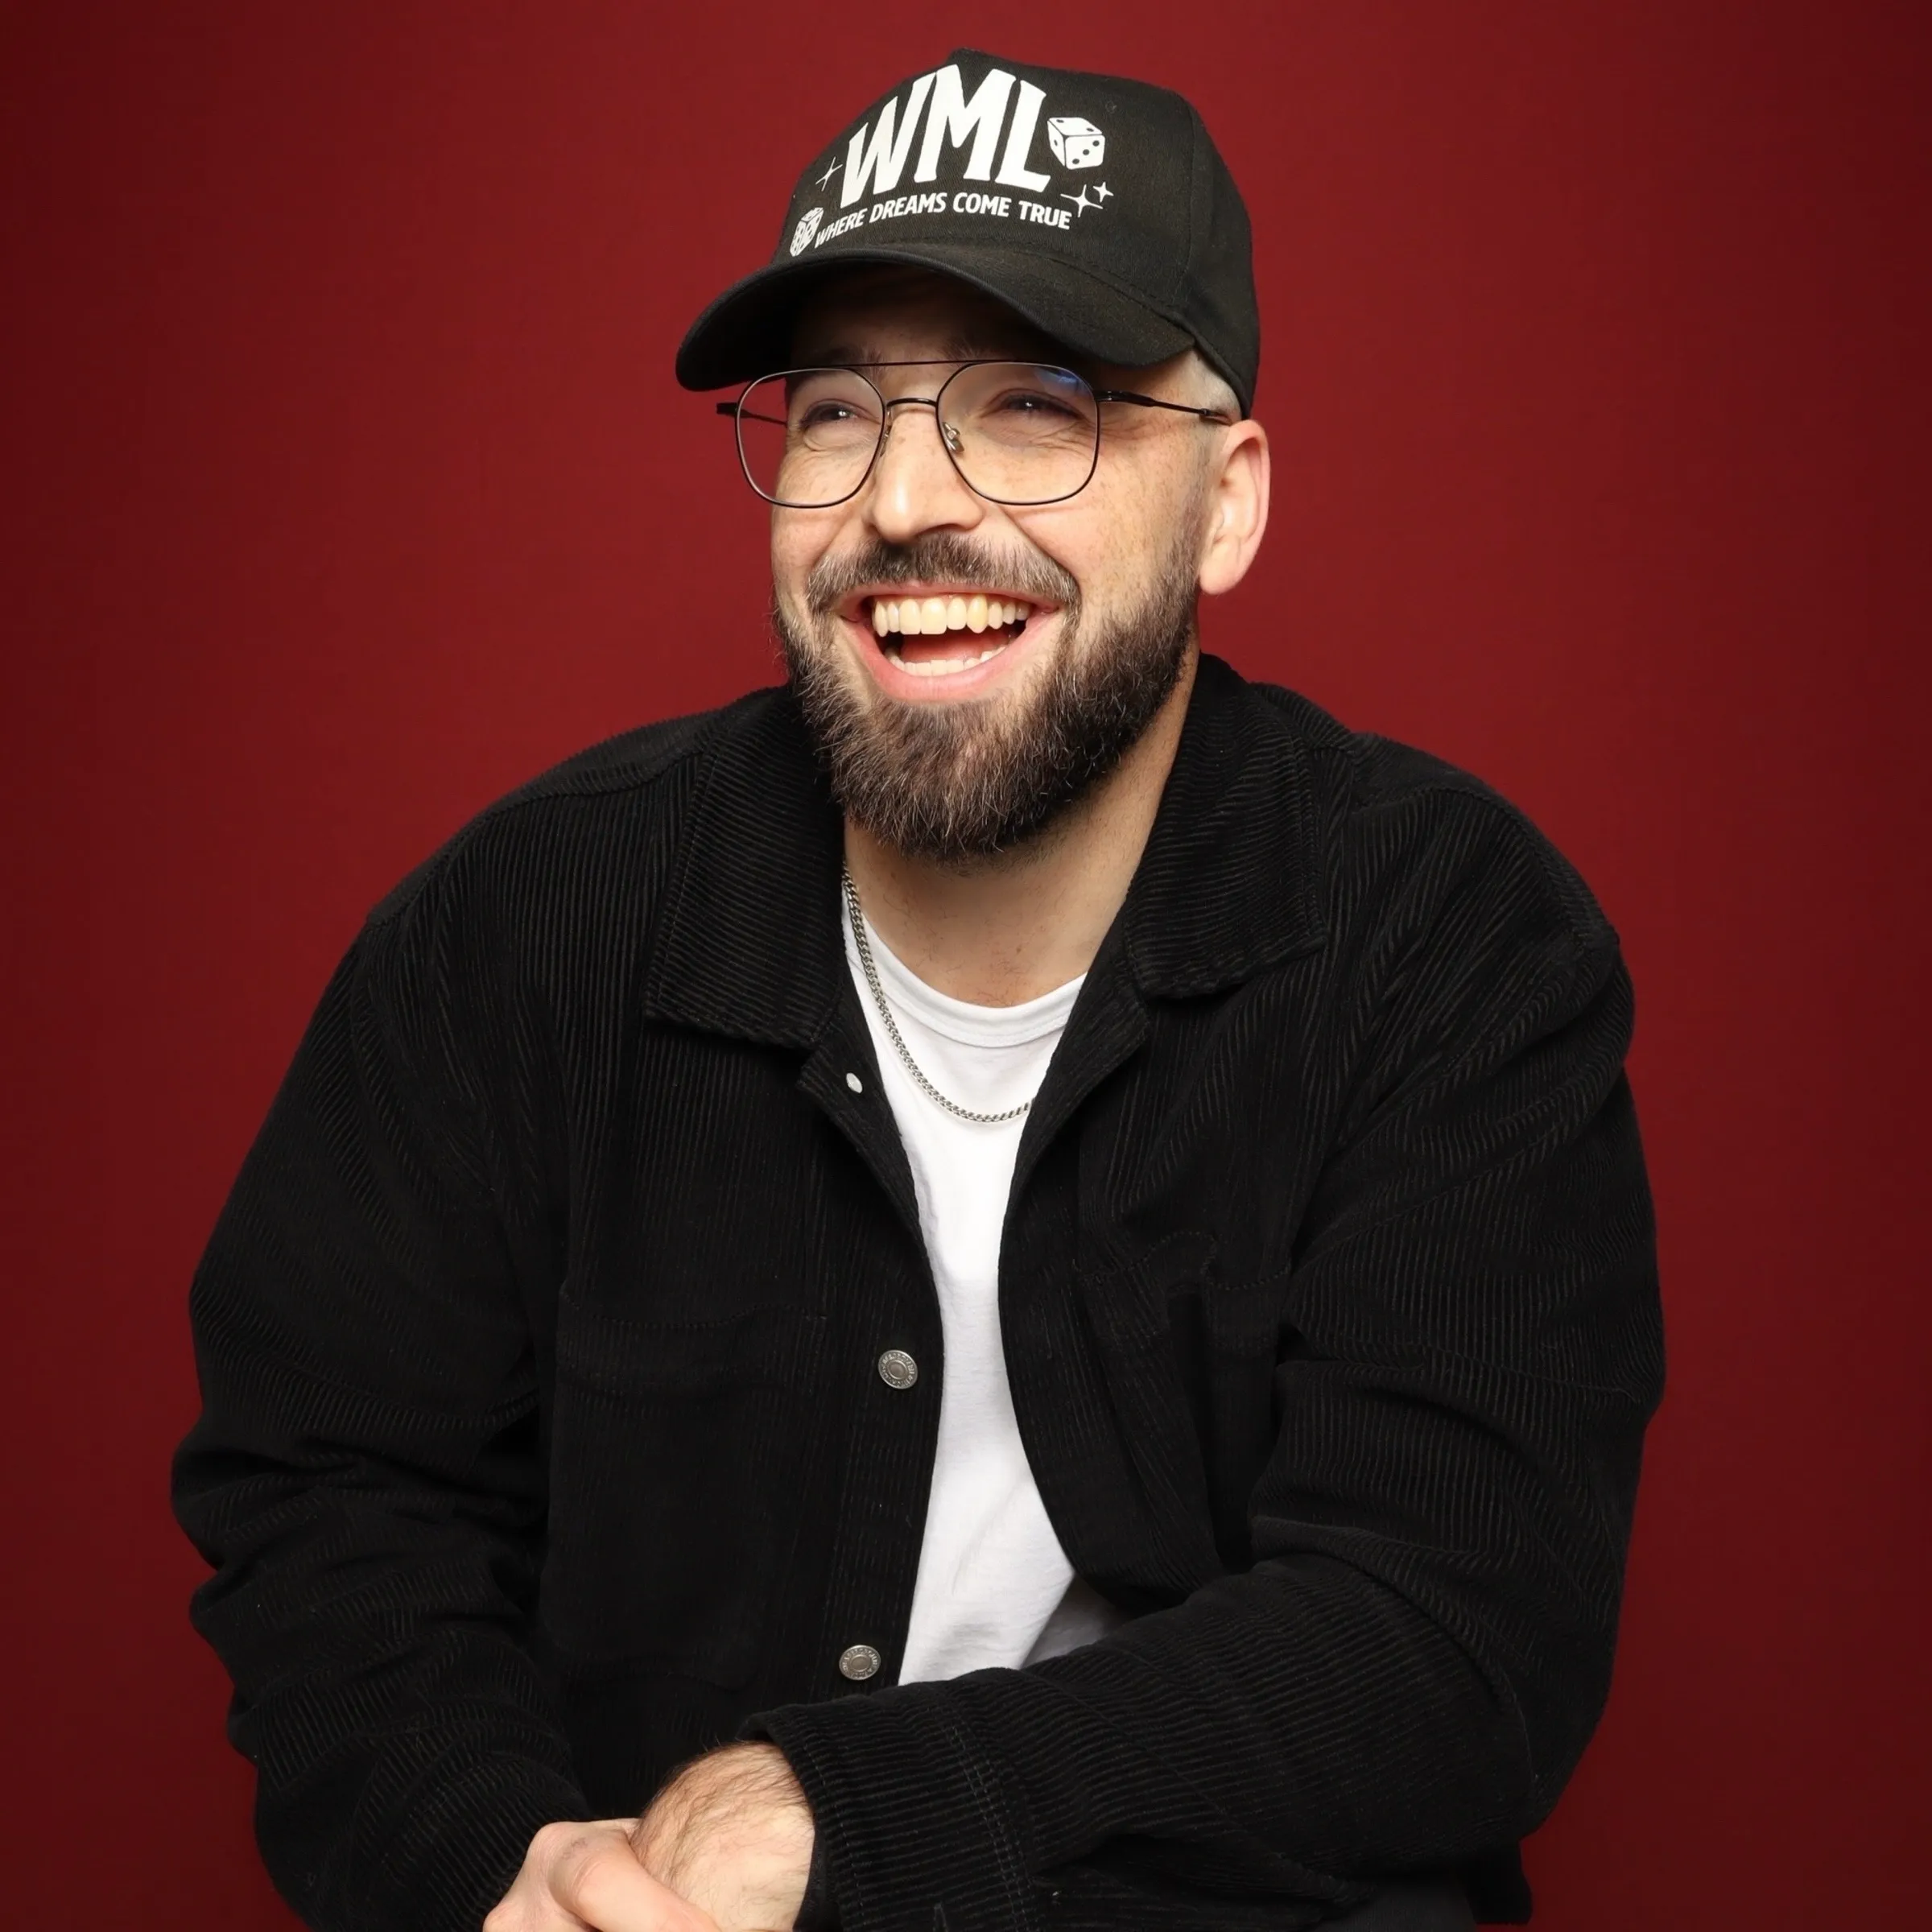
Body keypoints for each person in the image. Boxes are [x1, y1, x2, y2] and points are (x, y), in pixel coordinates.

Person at [173, 49, 1662, 1932]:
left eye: (1033, 408)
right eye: (835, 414)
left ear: (1228, 504)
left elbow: (1454, 1633)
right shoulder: (527, 924)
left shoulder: (1448, 941)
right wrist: (500, 1862)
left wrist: (845, 1818)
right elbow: (331, 1498)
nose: (902, 507)